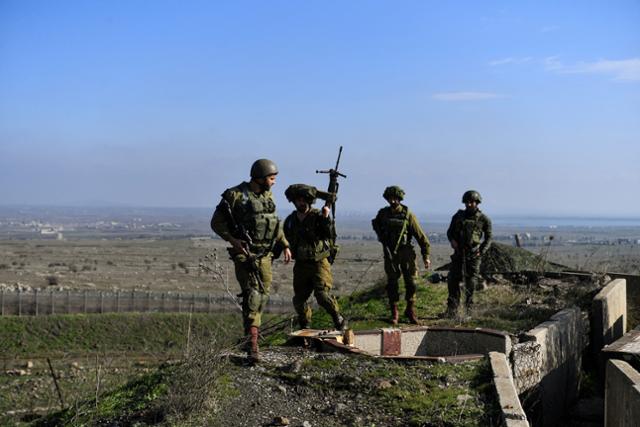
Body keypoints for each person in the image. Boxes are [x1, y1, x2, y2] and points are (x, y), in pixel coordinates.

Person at [210, 159, 291, 363]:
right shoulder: (234, 195)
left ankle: (249, 335)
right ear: (260, 178)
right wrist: (232, 240)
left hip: (266, 255)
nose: (274, 183)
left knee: (262, 295)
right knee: (252, 294)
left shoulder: (267, 196)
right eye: (271, 179)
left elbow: (275, 223)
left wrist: (286, 244)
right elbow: (216, 222)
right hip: (245, 253)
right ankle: (253, 343)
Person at [283, 184, 345, 330]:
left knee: (322, 296)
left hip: (319, 262)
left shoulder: (318, 216)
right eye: (298, 200)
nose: (301, 203)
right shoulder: (291, 220)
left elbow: (328, 234)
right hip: (301, 264)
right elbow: (284, 239)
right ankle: (305, 326)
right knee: (299, 300)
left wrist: (325, 217)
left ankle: (339, 319)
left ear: (309, 201)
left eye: (304, 200)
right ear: (294, 201)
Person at [372, 186, 431, 325]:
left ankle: (410, 310)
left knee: (411, 282)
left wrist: (426, 255)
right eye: (390, 198)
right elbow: (376, 224)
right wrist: (382, 239)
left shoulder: (407, 214)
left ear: (399, 199)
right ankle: (394, 311)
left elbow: (420, 236)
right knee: (392, 283)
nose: (392, 201)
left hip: (406, 253)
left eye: (395, 198)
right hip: (390, 253)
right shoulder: (383, 214)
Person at [445, 190, 492, 317]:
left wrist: (481, 251)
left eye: (472, 202)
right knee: (453, 281)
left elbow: (488, 238)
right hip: (459, 253)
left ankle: (468, 311)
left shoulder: (483, 219)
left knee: (470, 284)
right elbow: (449, 232)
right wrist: (452, 241)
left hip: (473, 255)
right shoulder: (458, 216)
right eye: (467, 202)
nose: (469, 204)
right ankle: (452, 310)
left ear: (477, 203)